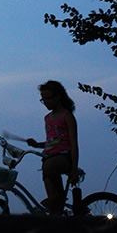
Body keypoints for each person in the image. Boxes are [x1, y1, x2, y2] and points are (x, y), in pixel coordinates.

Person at [26, 80, 79, 214]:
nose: (46, 102)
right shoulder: (47, 118)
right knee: (56, 203)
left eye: (48, 98)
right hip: (50, 157)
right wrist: (37, 144)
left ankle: (54, 200)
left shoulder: (67, 116)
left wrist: (74, 168)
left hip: (63, 157)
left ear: (58, 97)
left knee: (48, 167)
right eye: (43, 100)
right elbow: (52, 142)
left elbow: (73, 143)